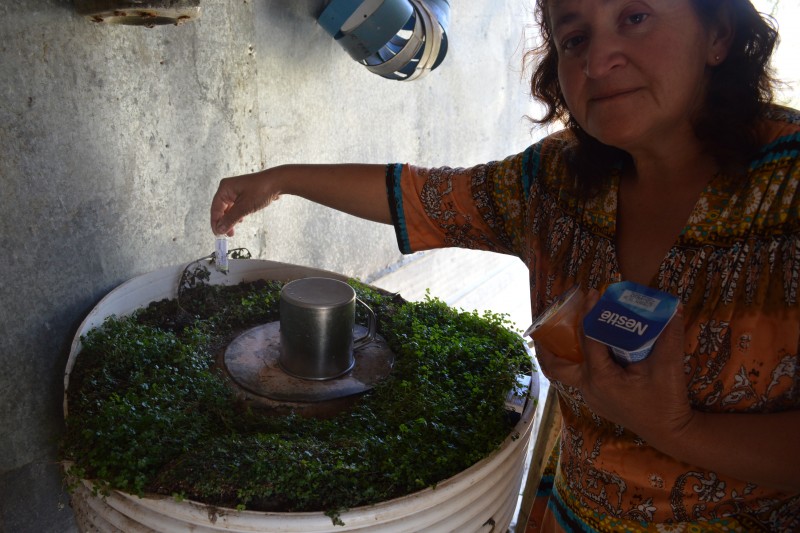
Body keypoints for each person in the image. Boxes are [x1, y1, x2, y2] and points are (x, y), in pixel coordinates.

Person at [210, 0, 800, 530]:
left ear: (718, 33)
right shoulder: (555, 182)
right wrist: (281, 180)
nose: (597, 61)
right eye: (574, 38)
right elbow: (421, 196)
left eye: (635, 18)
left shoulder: (788, 188)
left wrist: (679, 430)